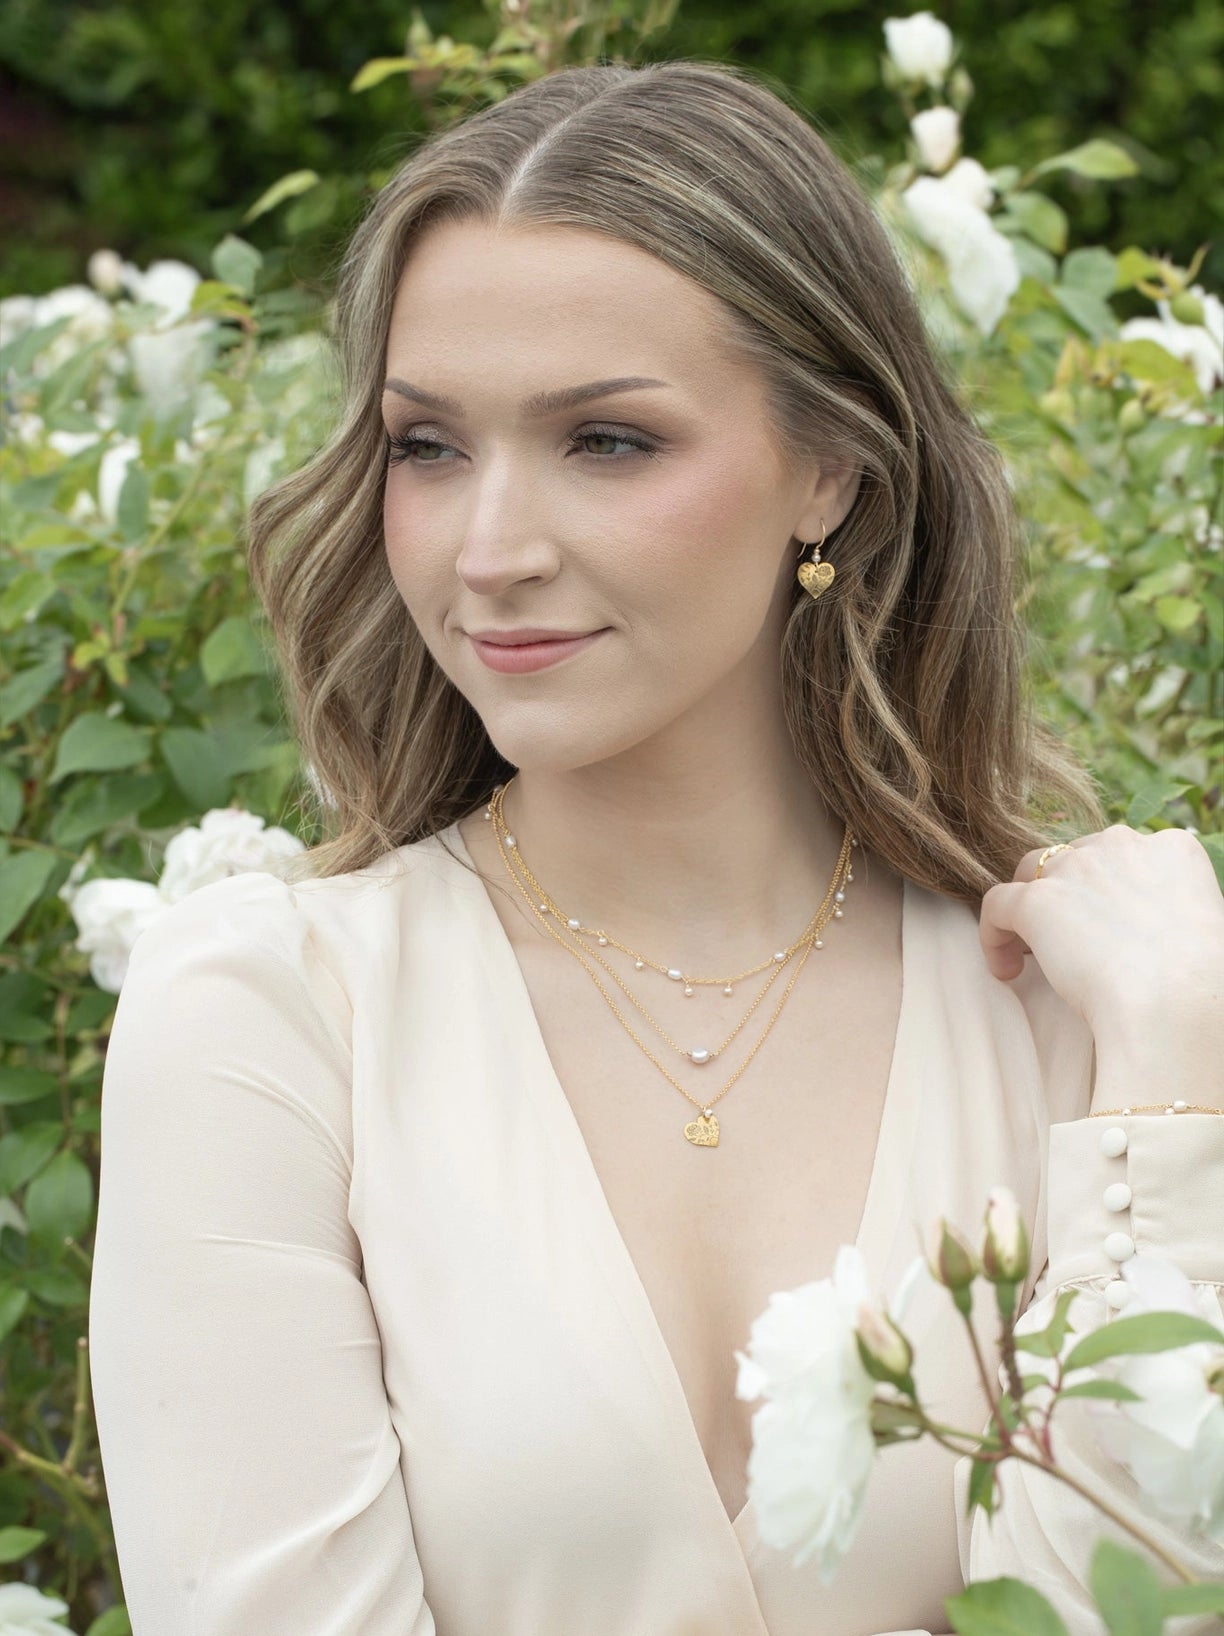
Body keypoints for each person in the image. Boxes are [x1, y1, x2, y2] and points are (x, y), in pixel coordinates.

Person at [87, 56, 1224, 1636]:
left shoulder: (1082, 1025)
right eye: (428, 447)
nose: (490, 551)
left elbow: (1151, 1599)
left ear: (831, 469)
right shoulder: (272, 1020)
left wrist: (1174, 1083)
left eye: (608, 442)